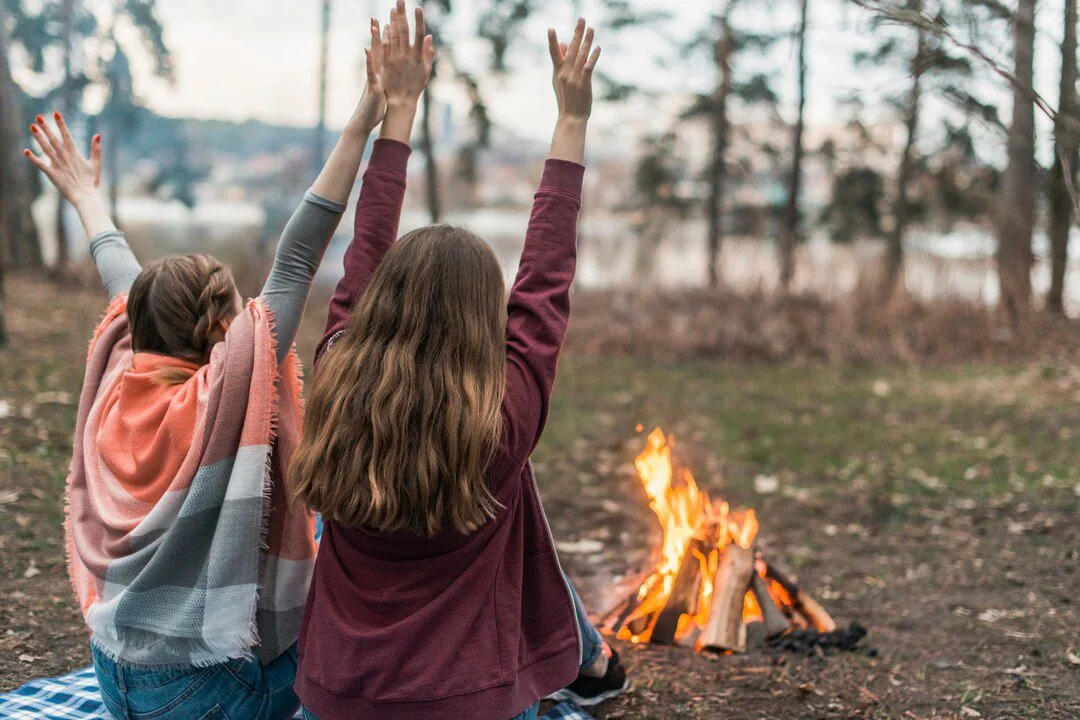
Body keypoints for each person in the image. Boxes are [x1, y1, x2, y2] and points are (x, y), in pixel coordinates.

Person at [24, 18, 393, 720]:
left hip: (114, 676)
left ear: (137, 323)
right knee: (346, 612)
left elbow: (119, 273)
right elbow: (297, 255)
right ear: (227, 334)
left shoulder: (117, 375)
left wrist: (85, 196)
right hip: (208, 694)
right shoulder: (226, 397)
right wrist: (365, 120)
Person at [290, 8, 628, 719]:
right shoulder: (501, 426)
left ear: (380, 303)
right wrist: (572, 122)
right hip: (468, 705)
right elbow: (543, 284)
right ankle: (588, 659)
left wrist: (401, 110)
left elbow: (365, 253)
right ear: (485, 323)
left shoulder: (335, 377)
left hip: (338, 699)